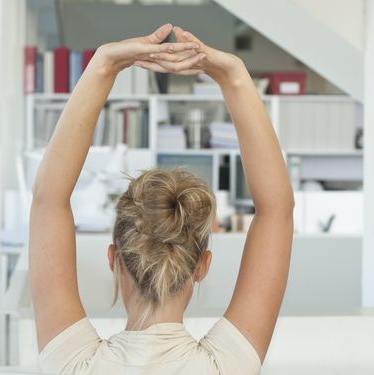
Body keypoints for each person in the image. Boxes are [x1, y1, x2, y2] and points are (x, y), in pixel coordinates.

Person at [29, 23, 294, 375]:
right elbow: (277, 210)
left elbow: (48, 201)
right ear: (202, 266)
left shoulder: (73, 364)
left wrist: (103, 65)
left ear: (114, 259)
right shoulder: (226, 366)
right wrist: (234, 77)